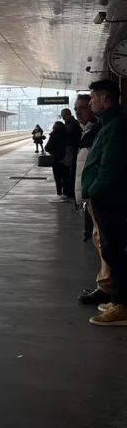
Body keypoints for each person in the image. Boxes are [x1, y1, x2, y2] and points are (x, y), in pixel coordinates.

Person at [82, 80, 127, 326]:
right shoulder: (110, 124)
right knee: (111, 249)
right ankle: (118, 300)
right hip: (108, 197)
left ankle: (122, 306)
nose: (90, 103)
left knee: (116, 250)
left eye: (92, 98)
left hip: (110, 198)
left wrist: (94, 189)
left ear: (104, 98)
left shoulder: (116, 126)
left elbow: (110, 167)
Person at [74, 94, 107, 305]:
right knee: (99, 240)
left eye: (84, 107)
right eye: (76, 108)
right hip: (90, 196)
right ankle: (105, 285)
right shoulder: (86, 132)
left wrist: (92, 191)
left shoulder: (98, 131)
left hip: (97, 196)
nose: (78, 112)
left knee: (104, 243)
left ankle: (107, 289)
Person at [44, 121, 71, 203]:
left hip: (56, 160)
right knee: (65, 178)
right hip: (66, 160)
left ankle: (59, 195)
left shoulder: (54, 135)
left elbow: (47, 148)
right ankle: (65, 194)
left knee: (58, 178)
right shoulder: (67, 135)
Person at [62, 107, 82, 200]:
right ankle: (69, 192)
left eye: (64, 116)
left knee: (70, 173)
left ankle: (70, 192)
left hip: (72, 152)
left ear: (69, 114)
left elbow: (71, 138)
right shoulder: (71, 124)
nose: (63, 118)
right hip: (70, 151)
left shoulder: (73, 125)